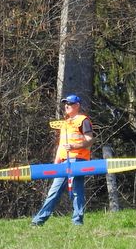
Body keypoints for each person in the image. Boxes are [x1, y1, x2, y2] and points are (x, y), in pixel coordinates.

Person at [31, 94, 94, 226]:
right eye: (65, 103)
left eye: (70, 103)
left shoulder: (83, 120)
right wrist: (56, 162)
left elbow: (89, 140)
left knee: (77, 191)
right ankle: (38, 221)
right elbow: (61, 145)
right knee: (54, 191)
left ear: (77, 105)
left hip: (78, 160)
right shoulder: (65, 123)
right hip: (64, 162)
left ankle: (77, 221)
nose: (66, 106)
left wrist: (74, 146)